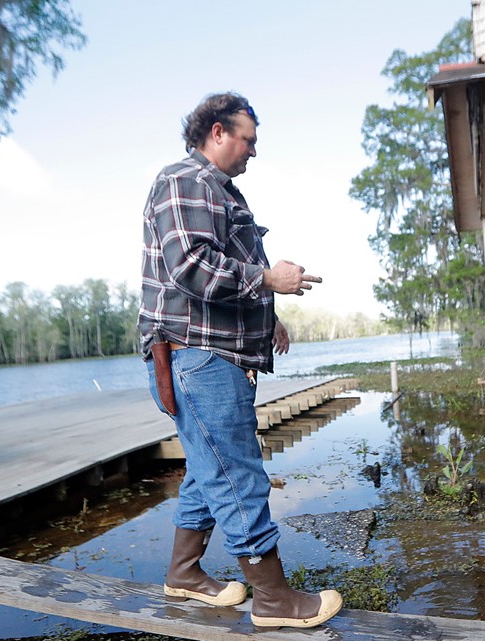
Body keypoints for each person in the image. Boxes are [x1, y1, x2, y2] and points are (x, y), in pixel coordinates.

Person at [138, 92, 342, 629]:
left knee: (207, 473)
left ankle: (183, 574)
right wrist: (269, 280)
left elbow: (231, 264)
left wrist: (268, 312)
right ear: (216, 132)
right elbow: (191, 265)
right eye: (247, 139)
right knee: (237, 475)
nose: (253, 151)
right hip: (199, 356)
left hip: (219, 353)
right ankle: (273, 599)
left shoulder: (223, 193)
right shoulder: (184, 181)